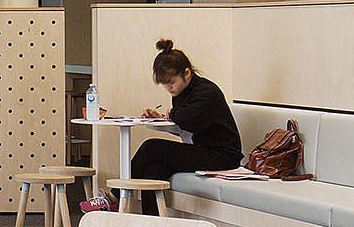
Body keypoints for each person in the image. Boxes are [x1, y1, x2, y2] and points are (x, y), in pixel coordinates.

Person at [85, 38, 242, 216]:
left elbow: (185, 118)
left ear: (187, 73)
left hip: (222, 155)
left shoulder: (206, 92)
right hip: (202, 150)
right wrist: (161, 118)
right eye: (165, 84)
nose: (169, 88)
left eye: (171, 82)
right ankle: (153, 225)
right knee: (152, 171)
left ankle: (113, 197)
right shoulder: (182, 93)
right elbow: (184, 122)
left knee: (151, 147)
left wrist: (172, 114)